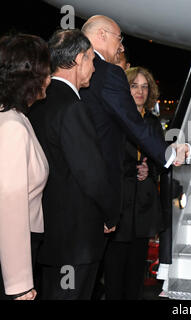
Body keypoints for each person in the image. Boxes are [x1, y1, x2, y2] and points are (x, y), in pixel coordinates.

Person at [28, 29, 120, 300]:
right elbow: (90, 173)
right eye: (92, 60)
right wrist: (110, 214)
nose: (93, 68)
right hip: (75, 239)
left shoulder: (36, 103)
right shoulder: (72, 107)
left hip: (46, 233)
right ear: (79, 59)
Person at [79, 15, 186, 227]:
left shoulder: (68, 68)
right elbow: (132, 122)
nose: (120, 47)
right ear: (102, 35)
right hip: (99, 182)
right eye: (119, 39)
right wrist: (169, 153)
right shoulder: (108, 73)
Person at [104, 66, 166, 299]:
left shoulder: (152, 122)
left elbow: (162, 158)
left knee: (137, 271)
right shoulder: (115, 118)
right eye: (134, 86)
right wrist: (133, 168)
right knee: (114, 269)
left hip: (143, 205)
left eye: (144, 86)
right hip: (120, 202)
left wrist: (150, 168)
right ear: (124, 89)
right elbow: (109, 158)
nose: (140, 91)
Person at [0, 34, 51, 300]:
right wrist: (19, 284)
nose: (49, 78)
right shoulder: (12, 125)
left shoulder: (16, 117)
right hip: (14, 253)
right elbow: (9, 205)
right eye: (45, 71)